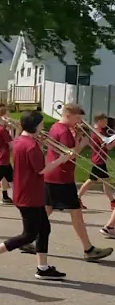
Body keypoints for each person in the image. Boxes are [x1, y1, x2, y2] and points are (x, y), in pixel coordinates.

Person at [0, 111, 71, 279]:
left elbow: (33, 162)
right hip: (29, 195)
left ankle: (42, 268)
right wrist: (61, 159)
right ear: (35, 125)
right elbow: (41, 169)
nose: (44, 127)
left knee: (44, 229)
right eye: (42, 124)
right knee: (29, 234)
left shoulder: (22, 141)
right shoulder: (30, 145)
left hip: (28, 192)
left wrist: (41, 146)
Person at [21, 103, 112, 261]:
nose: (79, 121)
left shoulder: (57, 128)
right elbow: (69, 155)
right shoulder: (64, 132)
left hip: (53, 176)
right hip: (62, 178)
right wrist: (82, 144)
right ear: (68, 115)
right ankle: (88, 249)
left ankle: (29, 240)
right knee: (76, 214)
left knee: (46, 211)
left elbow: (67, 149)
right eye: (77, 118)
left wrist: (77, 137)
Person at [77, 112, 115, 209]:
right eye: (104, 121)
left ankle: (112, 201)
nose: (106, 123)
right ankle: (77, 198)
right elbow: (109, 147)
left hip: (100, 160)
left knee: (104, 181)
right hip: (98, 160)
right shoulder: (98, 132)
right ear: (99, 121)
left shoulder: (102, 130)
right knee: (92, 181)